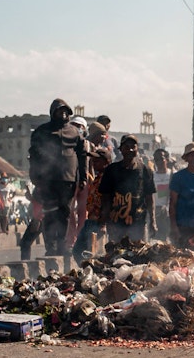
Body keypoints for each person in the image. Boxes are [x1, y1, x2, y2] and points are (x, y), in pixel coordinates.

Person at [25, 98, 86, 257]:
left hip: (68, 179)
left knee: (65, 212)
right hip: (48, 179)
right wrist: (34, 174)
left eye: (66, 111)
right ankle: (50, 247)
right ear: (53, 113)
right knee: (50, 212)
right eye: (60, 111)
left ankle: (61, 246)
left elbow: (82, 155)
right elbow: (34, 155)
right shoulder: (41, 131)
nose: (64, 114)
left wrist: (83, 176)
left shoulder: (74, 132)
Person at [98, 134, 156, 244]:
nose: (130, 149)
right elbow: (105, 198)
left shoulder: (145, 170)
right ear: (121, 149)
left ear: (137, 149)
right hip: (116, 222)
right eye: (126, 146)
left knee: (138, 254)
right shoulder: (112, 170)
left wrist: (153, 221)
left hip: (138, 223)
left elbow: (149, 198)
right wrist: (103, 222)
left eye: (133, 146)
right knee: (115, 254)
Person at [71, 121, 114, 257]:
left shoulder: (108, 179)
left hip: (99, 222)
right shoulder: (97, 178)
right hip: (90, 221)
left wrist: (103, 224)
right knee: (78, 251)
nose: (94, 164)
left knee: (94, 254)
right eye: (93, 161)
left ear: (106, 162)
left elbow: (108, 203)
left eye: (97, 161)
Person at [152, 148, 173, 241]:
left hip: (168, 212)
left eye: (161, 159)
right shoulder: (152, 176)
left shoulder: (172, 175)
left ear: (167, 159)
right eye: (156, 159)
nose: (159, 162)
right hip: (155, 211)